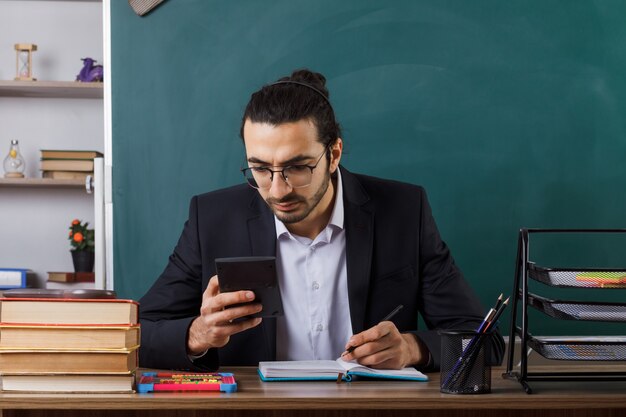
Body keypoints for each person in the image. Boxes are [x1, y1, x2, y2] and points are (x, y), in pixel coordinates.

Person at [139, 69, 505, 372]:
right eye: (260, 169)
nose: (278, 190)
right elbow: (136, 335)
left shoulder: (405, 211)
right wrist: (197, 334)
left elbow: (485, 342)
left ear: (333, 154)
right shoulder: (212, 219)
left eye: (298, 167)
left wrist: (413, 349)